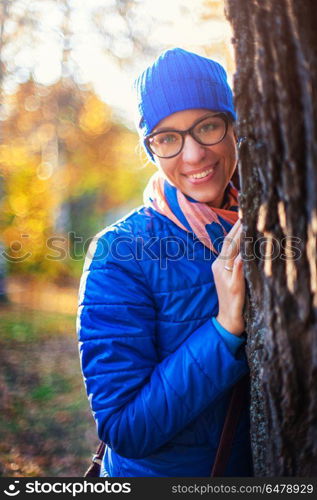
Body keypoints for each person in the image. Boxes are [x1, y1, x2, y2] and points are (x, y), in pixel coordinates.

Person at [77, 47, 253, 477]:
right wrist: (224, 330)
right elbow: (124, 428)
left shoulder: (278, 220)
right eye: (168, 138)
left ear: (234, 127)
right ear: (150, 148)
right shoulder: (118, 254)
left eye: (208, 126)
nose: (193, 156)